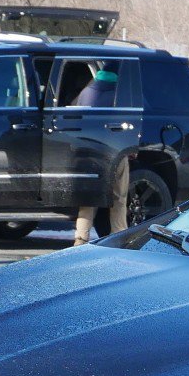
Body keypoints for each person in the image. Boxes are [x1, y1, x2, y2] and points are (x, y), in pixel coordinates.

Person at [68, 64, 130, 243]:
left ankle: (81, 235)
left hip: (90, 150)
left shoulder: (86, 92)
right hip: (115, 150)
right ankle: (119, 235)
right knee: (119, 196)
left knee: (89, 196)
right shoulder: (119, 93)